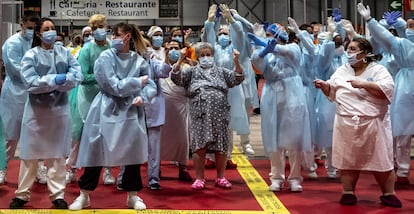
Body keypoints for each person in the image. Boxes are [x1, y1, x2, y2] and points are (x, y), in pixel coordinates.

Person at [69, 22, 156, 211]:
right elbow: (112, 85)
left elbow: (150, 85)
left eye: (120, 35)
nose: (116, 39)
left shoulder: (138, 59)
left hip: (131, 110)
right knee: (96, 151)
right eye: (115, 35)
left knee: (132, 153)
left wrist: (144, 96)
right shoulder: (105, 57)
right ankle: (84, 194)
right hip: (106, 108)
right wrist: (136, 82)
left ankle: (132, 194)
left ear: (129, 38)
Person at [313, 37, 402, 208]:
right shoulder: (342, 70)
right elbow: (332, 90)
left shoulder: (378, 70)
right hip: (346, 123)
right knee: (348, 161)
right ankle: (348, 191)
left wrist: (364, 85)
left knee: (381, 161)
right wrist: (324, 85)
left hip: (374, 123)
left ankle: (388, 193)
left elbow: (388, 90)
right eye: (349, 49)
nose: (349, 53)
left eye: (353, 49)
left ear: (365, 53)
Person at [8, 17, 83, 209]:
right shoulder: (31, 55)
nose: (51, 31)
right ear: (39, 34)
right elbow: (31, 83)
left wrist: (55, 81)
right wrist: (56, 80)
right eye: (46, 29)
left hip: (59, 112)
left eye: (53, 28)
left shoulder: (65, 52)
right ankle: (22, 194)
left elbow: (77, 76)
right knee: (29, 155)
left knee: (57, 156)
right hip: (36, 112)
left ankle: (57, 195)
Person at [170, 42, 244, 190]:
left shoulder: (222, 71)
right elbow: (176, 78)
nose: (206, 58)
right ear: (197, 57)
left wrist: (236, 61)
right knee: (199, 145)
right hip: (200, 113)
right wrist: (180, 60)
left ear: (213, 56)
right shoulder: (191, 71)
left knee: (221, 145)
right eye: (202, 55)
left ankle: (221, 177)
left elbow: (238, 77)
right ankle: (199, 178)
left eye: (208, 55)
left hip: (220, 112)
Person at [248, 23, 311, 192]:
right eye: (268, 34)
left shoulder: (293, 47)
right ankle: (276, 177)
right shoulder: (267, 52)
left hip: (292, 92)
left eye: (272, 34)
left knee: (293, 137)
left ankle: (295, 178)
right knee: (273, 136)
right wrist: (263, 49)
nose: (270, 38)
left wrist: (268, 47)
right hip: (271, 91)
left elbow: (290, 53)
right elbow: (256, 60)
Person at [357, 3, 414, 187]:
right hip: (405, 88)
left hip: (405, 87)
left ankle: (402, 168)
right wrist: (372, 21)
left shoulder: (404, 45)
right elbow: (385, 38)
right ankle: (402, 170)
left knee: (402, 130)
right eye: (410, 26)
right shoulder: (403, 46)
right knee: (403, 131)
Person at [66, 14, 114, 185]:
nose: (99, 31)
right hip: (86, 97)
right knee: (78, 134)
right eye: (95, 28)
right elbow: (82, 76)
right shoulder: (86, 50)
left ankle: (107, 171)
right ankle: (71, 169)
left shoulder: (111, 46)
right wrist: (101, 77)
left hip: (107, 96)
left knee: (106, 134)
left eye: (101, 26)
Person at [0, 11, 46, 185]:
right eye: (29, 28)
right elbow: (15, 69)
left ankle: (39, 168)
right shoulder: (11, 44)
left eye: (35, 29)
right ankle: (1, 169)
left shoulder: (38, 42)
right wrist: (39, 78)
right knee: (10, 135)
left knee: (37, 133)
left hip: (35, 93)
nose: (32, 31)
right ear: (21, 25)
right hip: (15, 94)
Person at [159, 40, 193, 182]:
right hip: (163, 107)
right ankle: (156, 168)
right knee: (160, 139)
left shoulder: (187, 67)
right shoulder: (160, 66)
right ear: (165, 50)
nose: (173, 50)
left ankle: (183, 169)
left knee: (182, 138)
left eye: (176, 48)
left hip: (181, 106)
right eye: (170, 48)